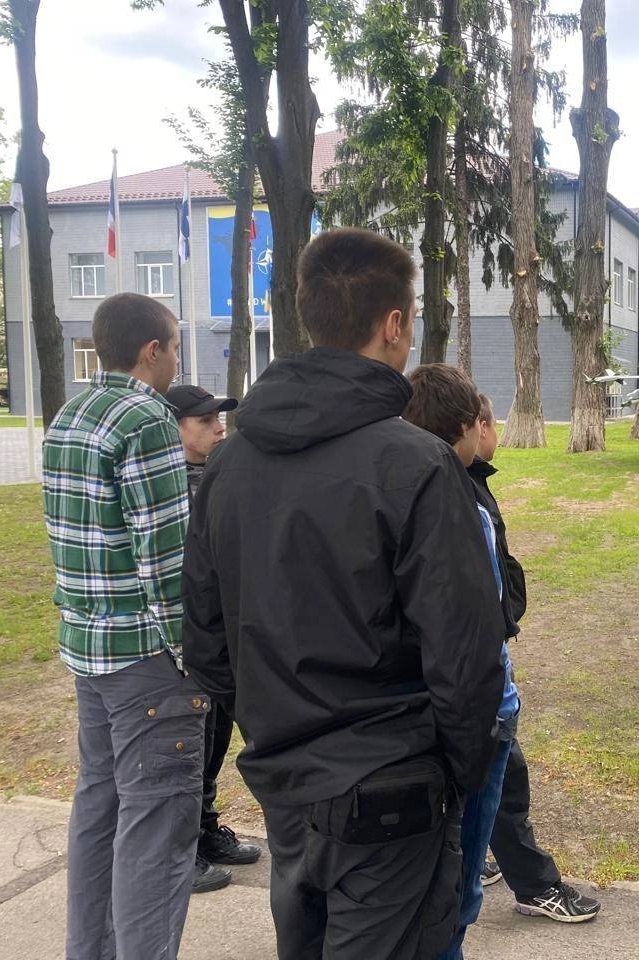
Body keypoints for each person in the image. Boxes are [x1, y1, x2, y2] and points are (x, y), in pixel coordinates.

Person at [182, 228, 505, 960]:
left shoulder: (227, 466)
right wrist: (456, 776)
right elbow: (467, 656)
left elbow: (204, 640)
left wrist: (273, 726)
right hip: (383, 791)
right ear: (393, 325)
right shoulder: (419, 465)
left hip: (294, 778)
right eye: (412, 315)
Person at [42, 292, 205, 960]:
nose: (175, 358)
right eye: (174, 346)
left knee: (100, 812)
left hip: (89, 651)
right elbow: (168, 558)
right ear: (152, 350)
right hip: (146, 661)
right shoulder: (146, 417)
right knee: (157, 832)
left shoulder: (69, 415)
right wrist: (193, 657)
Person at [401, 365, 521, 960]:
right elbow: (480, 630)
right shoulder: (458, 507)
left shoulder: (392, 491)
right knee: (457, 882)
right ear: (469, 427)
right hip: (473, 721)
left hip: (412, 719)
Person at [468, 395, 600, 924]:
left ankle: (478, 857)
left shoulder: (468, 484)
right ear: (474, 427)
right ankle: (535, 885)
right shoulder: (462, 496)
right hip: (479, 680)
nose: (497, 432)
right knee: (502, 776)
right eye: (492, 423)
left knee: (490, 779)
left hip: (476, 673)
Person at [165, 383, 262, 892]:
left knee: (216, 739)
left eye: (219, 417)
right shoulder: (170, 487)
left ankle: (204, 830)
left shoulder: (220, 476)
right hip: (190, 643)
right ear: (174, 428)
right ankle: (181, 851)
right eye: (204, 421)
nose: (218, 426)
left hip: (229, 637)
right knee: (190, 748)